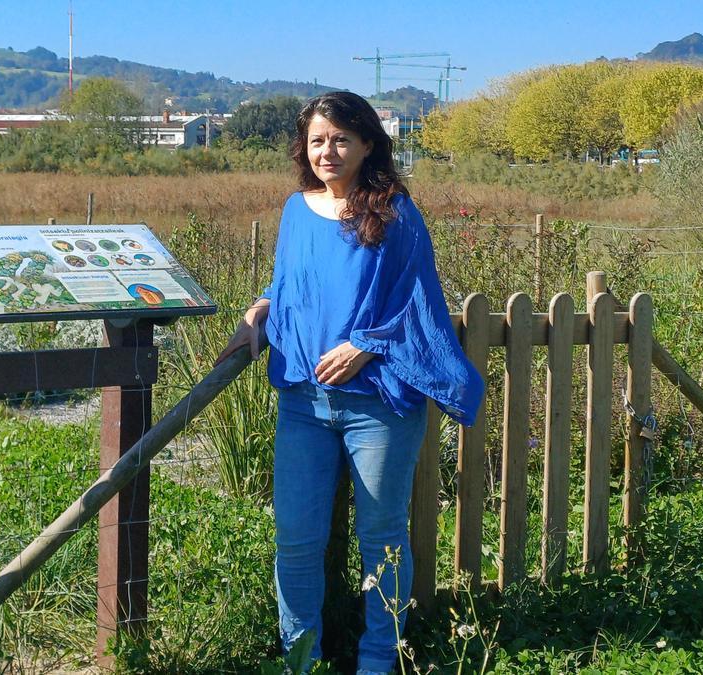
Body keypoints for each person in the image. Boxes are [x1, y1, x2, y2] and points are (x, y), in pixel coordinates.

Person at [215, 91, 484, 674]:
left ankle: (378, 659)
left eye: (340, 139)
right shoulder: (294, 209)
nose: (327, 151)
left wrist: (367, 343)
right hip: (303, 403)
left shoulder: (395, 213)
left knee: (382, 535)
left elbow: (417, 301)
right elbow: (291, 281)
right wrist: (261, 310)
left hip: (379, 405)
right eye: (317, 140)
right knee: (296, 538)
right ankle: (300, 657)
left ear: (367, 144)